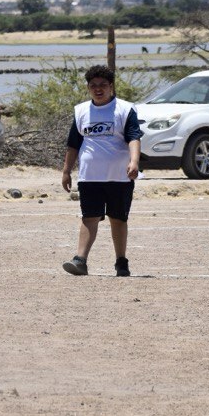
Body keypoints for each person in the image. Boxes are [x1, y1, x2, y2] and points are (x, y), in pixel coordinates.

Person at [61, 64, 142, 277]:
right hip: (89, 176)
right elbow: (73, 144)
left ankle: (121, 262)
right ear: (88, 87)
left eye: (103, 85)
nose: (98, 89)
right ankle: (80, 260)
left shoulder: (125, 109)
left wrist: (134, 161)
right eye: (93, 85)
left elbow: (134, 137)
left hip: (119, 176)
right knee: (89, 217)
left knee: (118, 218)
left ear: (111, 86)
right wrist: (66, 171)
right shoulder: (81, 111)